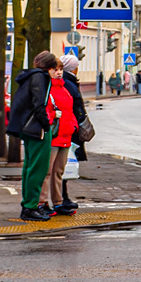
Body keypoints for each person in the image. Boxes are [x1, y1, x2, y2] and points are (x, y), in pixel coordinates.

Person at [6, 51, 60, 222]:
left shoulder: (28, 76)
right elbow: (39, 104)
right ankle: (30, 207)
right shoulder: (42, 78)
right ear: (50, 68)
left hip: (25, 127)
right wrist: (47, 125)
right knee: (38, 169)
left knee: (29, 167)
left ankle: (28, 205)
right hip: (37, 129)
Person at [42, 56, 80, 216]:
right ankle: (42, 202)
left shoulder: (64, 88)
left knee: (58, 171)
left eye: (60, 70)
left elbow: (69, 111)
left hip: (65, 135)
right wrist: (52, 117)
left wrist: (73, 126)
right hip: (54, 135)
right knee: (47, 171)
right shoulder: (47, 89)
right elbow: (43, 110)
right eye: (55, 70)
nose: (58, 73)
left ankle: (58, 202)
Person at [55, 54, 90, 216]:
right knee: (63, 166)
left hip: (69, 128)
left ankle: (62, 198)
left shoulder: (67, 82)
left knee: (63, 165)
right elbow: (74, 107)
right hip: (68, 130)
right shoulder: (68, 83)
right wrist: (80, 123)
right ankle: (61, 199)